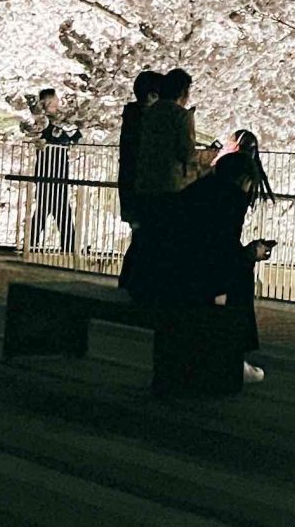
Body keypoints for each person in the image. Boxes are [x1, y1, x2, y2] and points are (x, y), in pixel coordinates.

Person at [170, 128, 277, 382]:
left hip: (165, 266)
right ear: (241, 180)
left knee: (232, 273)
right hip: (188, 274)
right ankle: (233, 357)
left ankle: (227, 355)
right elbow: (223, 251)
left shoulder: (200, 191)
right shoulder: (228, 201)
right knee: (240, 277)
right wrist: (252, 253)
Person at [131, 68, 199, 210]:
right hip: (171, 185)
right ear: (183, 92)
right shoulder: (182, 116)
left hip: (146, 184)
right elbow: (186, 153)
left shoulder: (149, 113)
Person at [27, 88, 80, 259]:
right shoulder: (42, 122)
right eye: (55, 101)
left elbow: (76, 135)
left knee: (53, 208)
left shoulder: (60, 121)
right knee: (52, 208)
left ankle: (35, 242)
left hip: (57, 171)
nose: (58, 103)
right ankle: (66, 245)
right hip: (49, 170)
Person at [114, 69, 162, 226]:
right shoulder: (145, 121)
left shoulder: (132, 116)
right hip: (143, 189)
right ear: (151, 96)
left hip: (132, 186)